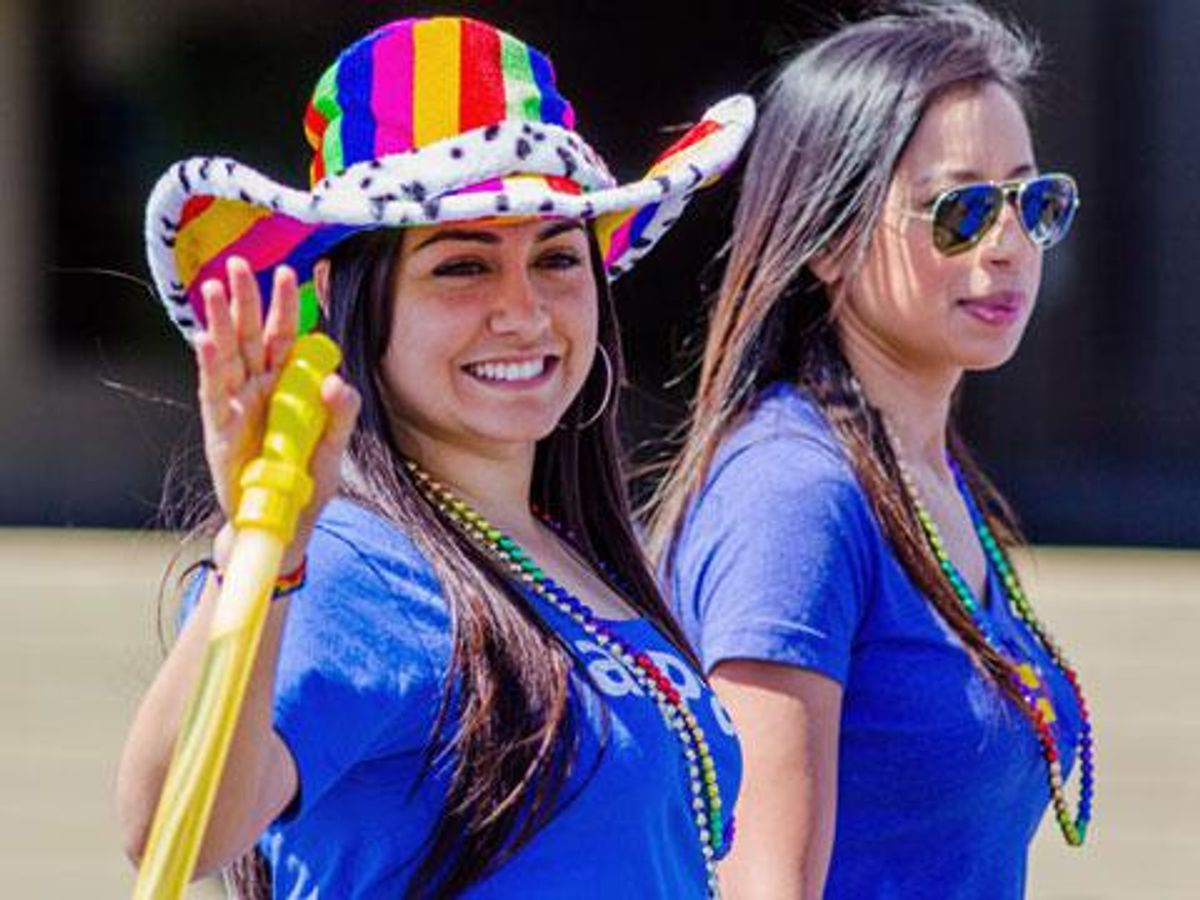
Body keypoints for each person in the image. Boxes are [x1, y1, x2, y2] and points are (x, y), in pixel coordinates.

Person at [117, 16, 753, 898]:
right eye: (463, 266)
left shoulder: (584, 553)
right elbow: (170, 835)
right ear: (347, 298)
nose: (524, 312)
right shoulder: (346, 564)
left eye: (559, 258)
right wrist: (265, 549)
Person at [647, 3, 1092, 897]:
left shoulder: (925, 473)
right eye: (959, 211)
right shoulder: (794, 497)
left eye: (1034, 201)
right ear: (830, 241)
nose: (1007, 246)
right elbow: (762, 885)